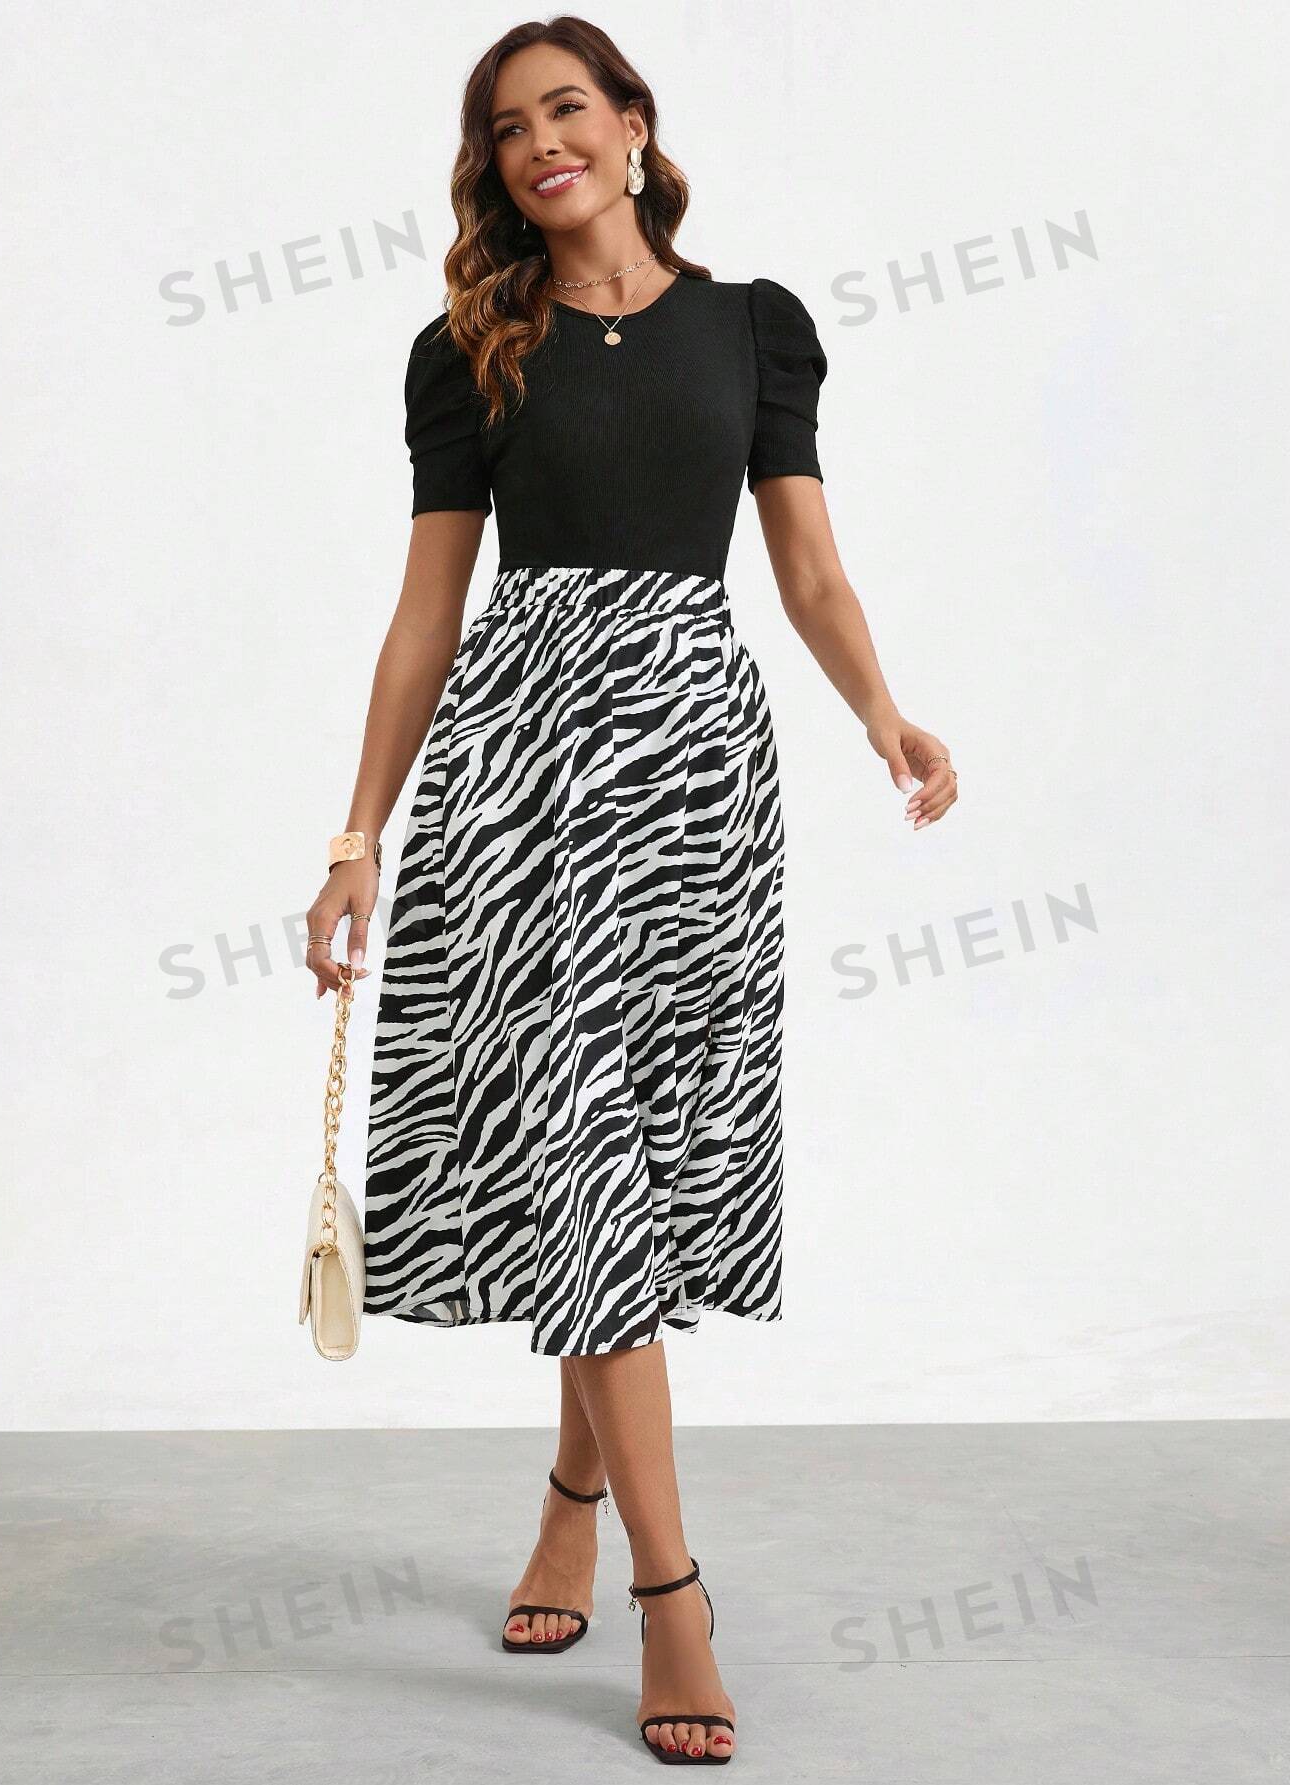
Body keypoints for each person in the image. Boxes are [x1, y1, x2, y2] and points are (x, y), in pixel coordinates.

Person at [304, 16, 957, 1768]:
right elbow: (428, 610)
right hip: (519, 782)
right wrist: (358, 837)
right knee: (575, 1157)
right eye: (508, 128)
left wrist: (884, 715)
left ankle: (569, 1503)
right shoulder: (468, 348)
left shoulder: (754, 328)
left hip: (693, 778)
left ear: (633, 123)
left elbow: (804, 563)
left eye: (567, 108)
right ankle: (677, 1595)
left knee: (644, 1165)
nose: (541, 144)